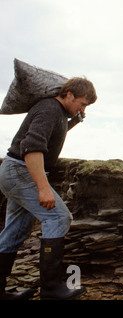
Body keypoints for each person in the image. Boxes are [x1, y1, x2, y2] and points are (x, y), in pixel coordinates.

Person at [0, 77, 97, 300]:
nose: (82, 108)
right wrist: (43, 188)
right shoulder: (49, 108)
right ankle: (51, 289)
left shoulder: (57, 113)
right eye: (82, 103)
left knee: (15, 231)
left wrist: (73, 121)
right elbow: (32, 148)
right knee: (59, 218)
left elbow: (52, 134)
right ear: (69, 94)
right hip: (22, 172)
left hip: (16, 172)